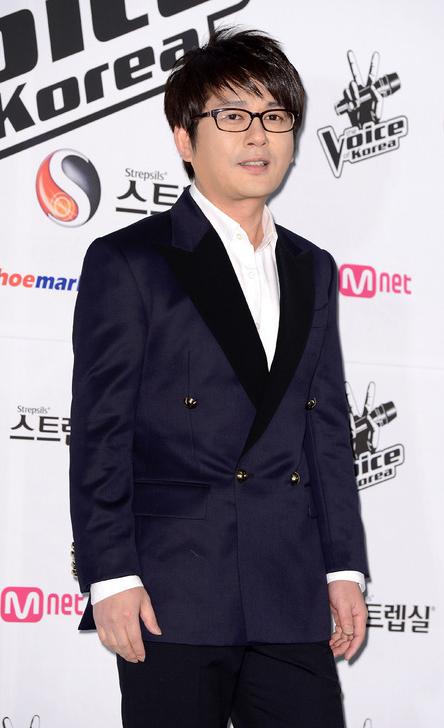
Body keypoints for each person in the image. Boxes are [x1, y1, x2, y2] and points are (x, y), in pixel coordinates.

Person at [70, 27, 369, 728]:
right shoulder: (131, 259)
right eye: (232, 116)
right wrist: (110, 575)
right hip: (172, 588)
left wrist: (342, 567)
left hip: (288, 586)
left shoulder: (312, 267)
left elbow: (325, 428)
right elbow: (101, 431)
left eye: (275, 116)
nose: (257, 136)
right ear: (185, 138)